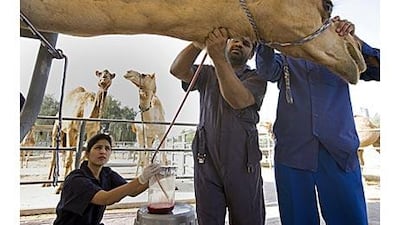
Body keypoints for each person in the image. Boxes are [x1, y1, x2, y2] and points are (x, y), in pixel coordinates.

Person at [255, 16, 380, 225]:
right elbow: (266, 70)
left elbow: (379, 68)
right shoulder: (285, 53)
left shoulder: (338, 46)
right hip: (293, 154)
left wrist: (353, 39)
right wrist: (266, 35)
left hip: (338, 153)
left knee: (351, 219)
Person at [170, 28, 267, 225]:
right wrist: (199, 41)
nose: (238, 44)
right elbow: (177, 70)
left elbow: (237, 99)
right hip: (207, 162)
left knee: (248, 219)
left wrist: (218, 58)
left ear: (252, 54)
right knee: (208, 219)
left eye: (246, 43)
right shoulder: (206, 72)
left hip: (243, 164)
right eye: (234, 40)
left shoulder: (256, 78)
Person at [53, 133, 161, 225]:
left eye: (107, 148)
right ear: (87, 154)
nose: (103, 152)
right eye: (98, 148)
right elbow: (106, 198)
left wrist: (154, 179)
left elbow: (133, 191)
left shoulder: (107, 174)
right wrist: (141, 178)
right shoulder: (76, 179)